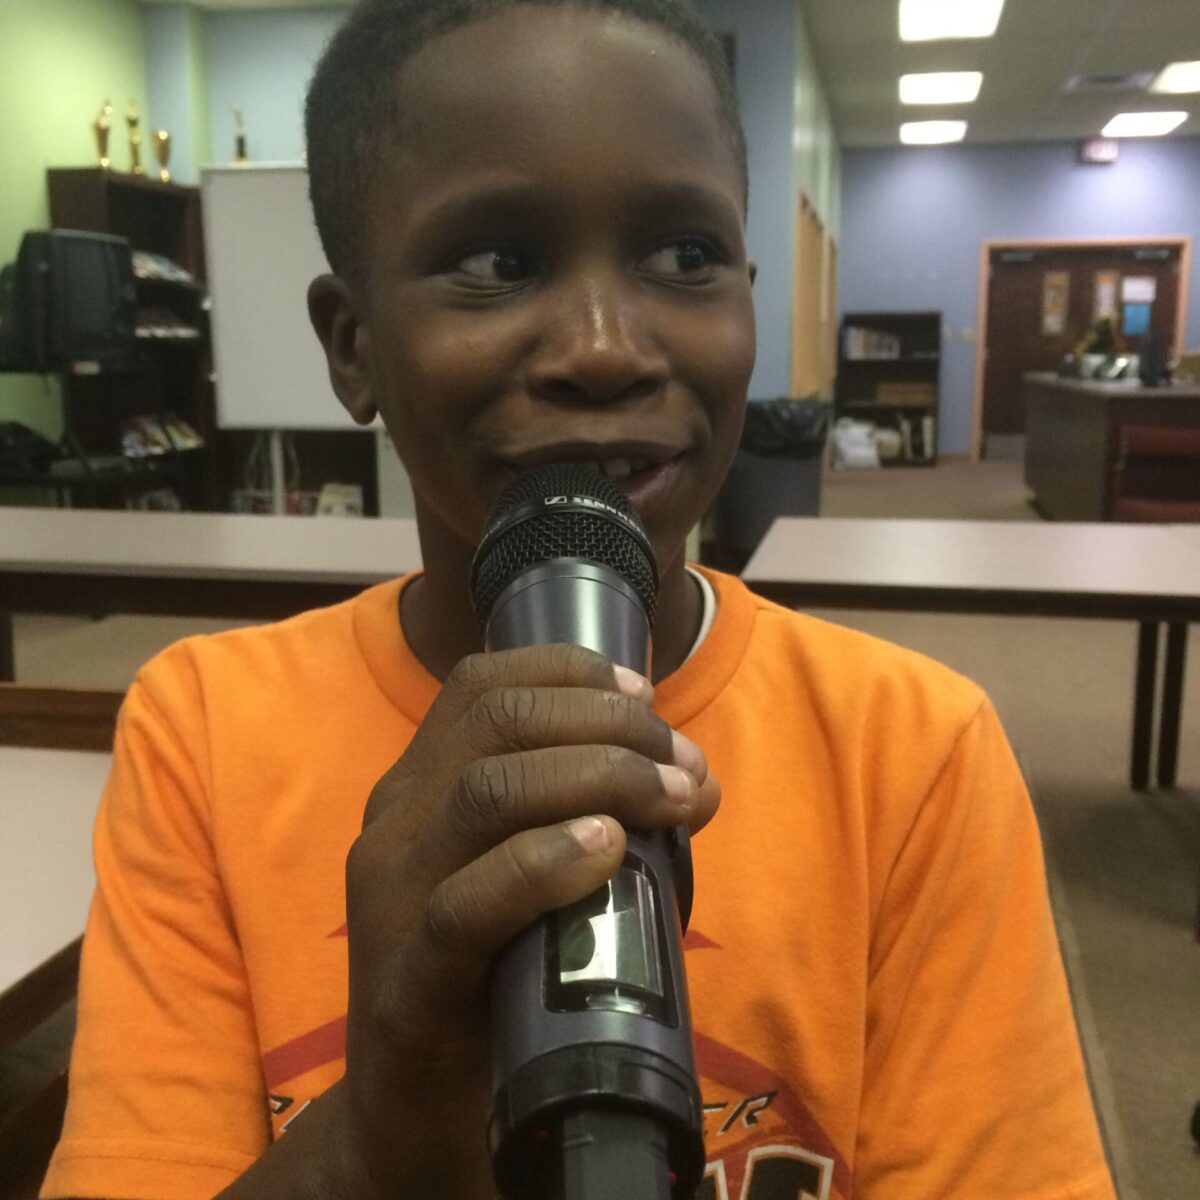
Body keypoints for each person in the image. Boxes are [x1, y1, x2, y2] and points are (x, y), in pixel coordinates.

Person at [42, 2, 1116, 1198]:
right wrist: (374, 1135)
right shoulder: (204, 731)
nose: (605, 347)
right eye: (499, 262)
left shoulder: (912, 752)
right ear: (353, 348)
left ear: (750, 301)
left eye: (684, 256)